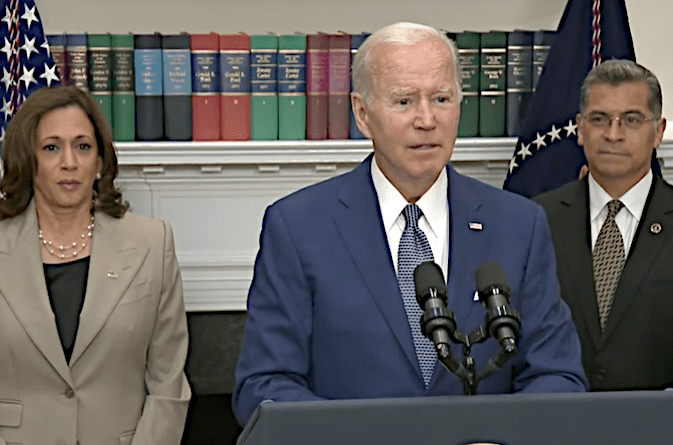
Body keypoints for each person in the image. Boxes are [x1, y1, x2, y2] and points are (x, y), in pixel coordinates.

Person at [232, 22, 587, 426]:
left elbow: (557, 376)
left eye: (441, 98)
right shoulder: (298, 227)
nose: (427, 119)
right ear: (362, 114)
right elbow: (263, 386)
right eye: (404, 102)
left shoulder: (519, 225)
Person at [0, 86, 191, 444]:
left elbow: (169, 388)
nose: (69, 162)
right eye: (51, 147)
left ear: (99, 161)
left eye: (83, 146)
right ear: (28, 159)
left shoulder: (152, 244)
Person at [534, 59, 673, 445]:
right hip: (559, 434)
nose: (613, 134)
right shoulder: (535, 221)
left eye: (631, 120)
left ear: (658, 131)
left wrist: (645, 427)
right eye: (599, 119)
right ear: (579, 130)